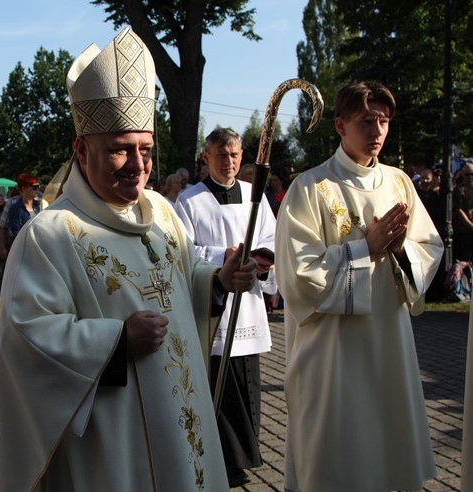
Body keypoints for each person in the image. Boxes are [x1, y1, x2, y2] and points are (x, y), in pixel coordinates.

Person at [0, 28, 258, 492]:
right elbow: (25, 339)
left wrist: (216, 281)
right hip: (111, 444)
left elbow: (180, 281)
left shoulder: (161, 215)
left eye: (146, 150)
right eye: (120, 149)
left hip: (182, 424)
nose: (137, 164)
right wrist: (116, 340)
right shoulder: (51, 235)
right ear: (81, 149)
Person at [274, 81, 443, 492]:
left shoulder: (399, 182)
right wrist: (364, 249)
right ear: (340, 125)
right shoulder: (311, 188)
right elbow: (297, 274)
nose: (378, 131)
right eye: (366, 121)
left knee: (387, 453)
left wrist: (401, 252)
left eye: (384, 121)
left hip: (388, 339)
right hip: (332, 351)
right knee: (335, 459)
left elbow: (429, 247)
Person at [175, 127, 277, 487]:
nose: (229, 161)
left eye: (234, 154)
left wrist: (261, 259)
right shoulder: (189, 201)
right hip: (215, 306)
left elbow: (270, 237)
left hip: (247, 304)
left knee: (247, 380)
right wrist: (227, 258)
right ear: (207, 157)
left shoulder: (255, 195)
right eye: (221, 154)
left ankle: (245, 455)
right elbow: (184, 253)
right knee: (219, 381)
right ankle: (222, 459)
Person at [0, 173, 40, 257]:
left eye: (38, 187)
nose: (37, 190)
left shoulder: (39, 205)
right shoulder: (13, 206)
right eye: (34, 187)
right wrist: (2, 247)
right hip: (20, 249)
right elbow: (4, 227)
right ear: (24, 188)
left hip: (37, 249)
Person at [453, 163, 473, 263]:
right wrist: (470, 225)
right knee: (464, 261)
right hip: (464, 231)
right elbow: (458, 210)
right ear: (462, 174)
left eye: (472, 174)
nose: (470, 176)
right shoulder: (458, 189)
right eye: (467, 174)